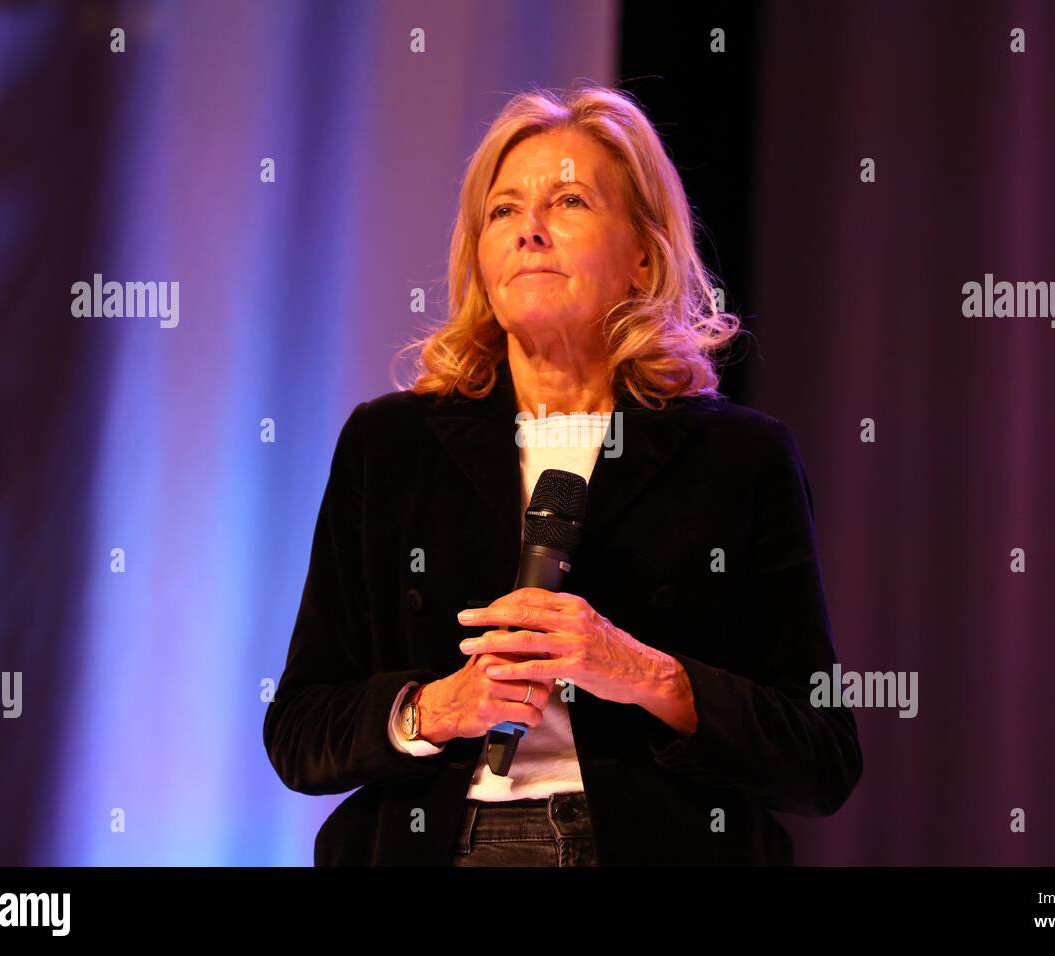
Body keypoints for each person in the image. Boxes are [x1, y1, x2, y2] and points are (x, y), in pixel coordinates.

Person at [263, 84, 862, 866]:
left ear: (644, 253)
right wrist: (434, 708)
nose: (530, 232)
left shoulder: (740, 459)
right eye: (503, 211)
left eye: (570, 201)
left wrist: (642, 672)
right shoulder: (390, 446)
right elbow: (300, 730)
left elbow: (820, 759)